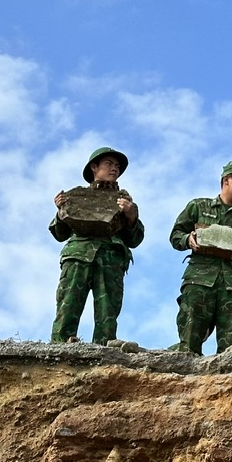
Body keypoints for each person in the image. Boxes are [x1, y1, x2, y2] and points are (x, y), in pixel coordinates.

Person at [169, 158, 232, 354]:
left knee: (231, 346)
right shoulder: (198, 206)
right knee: (189, 339)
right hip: (199, 281)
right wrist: (189, 239)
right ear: (226, 181)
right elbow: (175, 236)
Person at [49, 147, 144, 344]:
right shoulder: (77, 196)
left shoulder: (124, 200)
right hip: (79, 254)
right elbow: (59, 233)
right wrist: (60, 212)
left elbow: (135, 239)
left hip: (111, 257)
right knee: (69, 302)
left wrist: (132, 217)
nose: (114, 169)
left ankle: (104, 347)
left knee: (108, 307)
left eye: (117, 166)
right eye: (109, 164)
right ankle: (61, 345)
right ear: (94, 167)